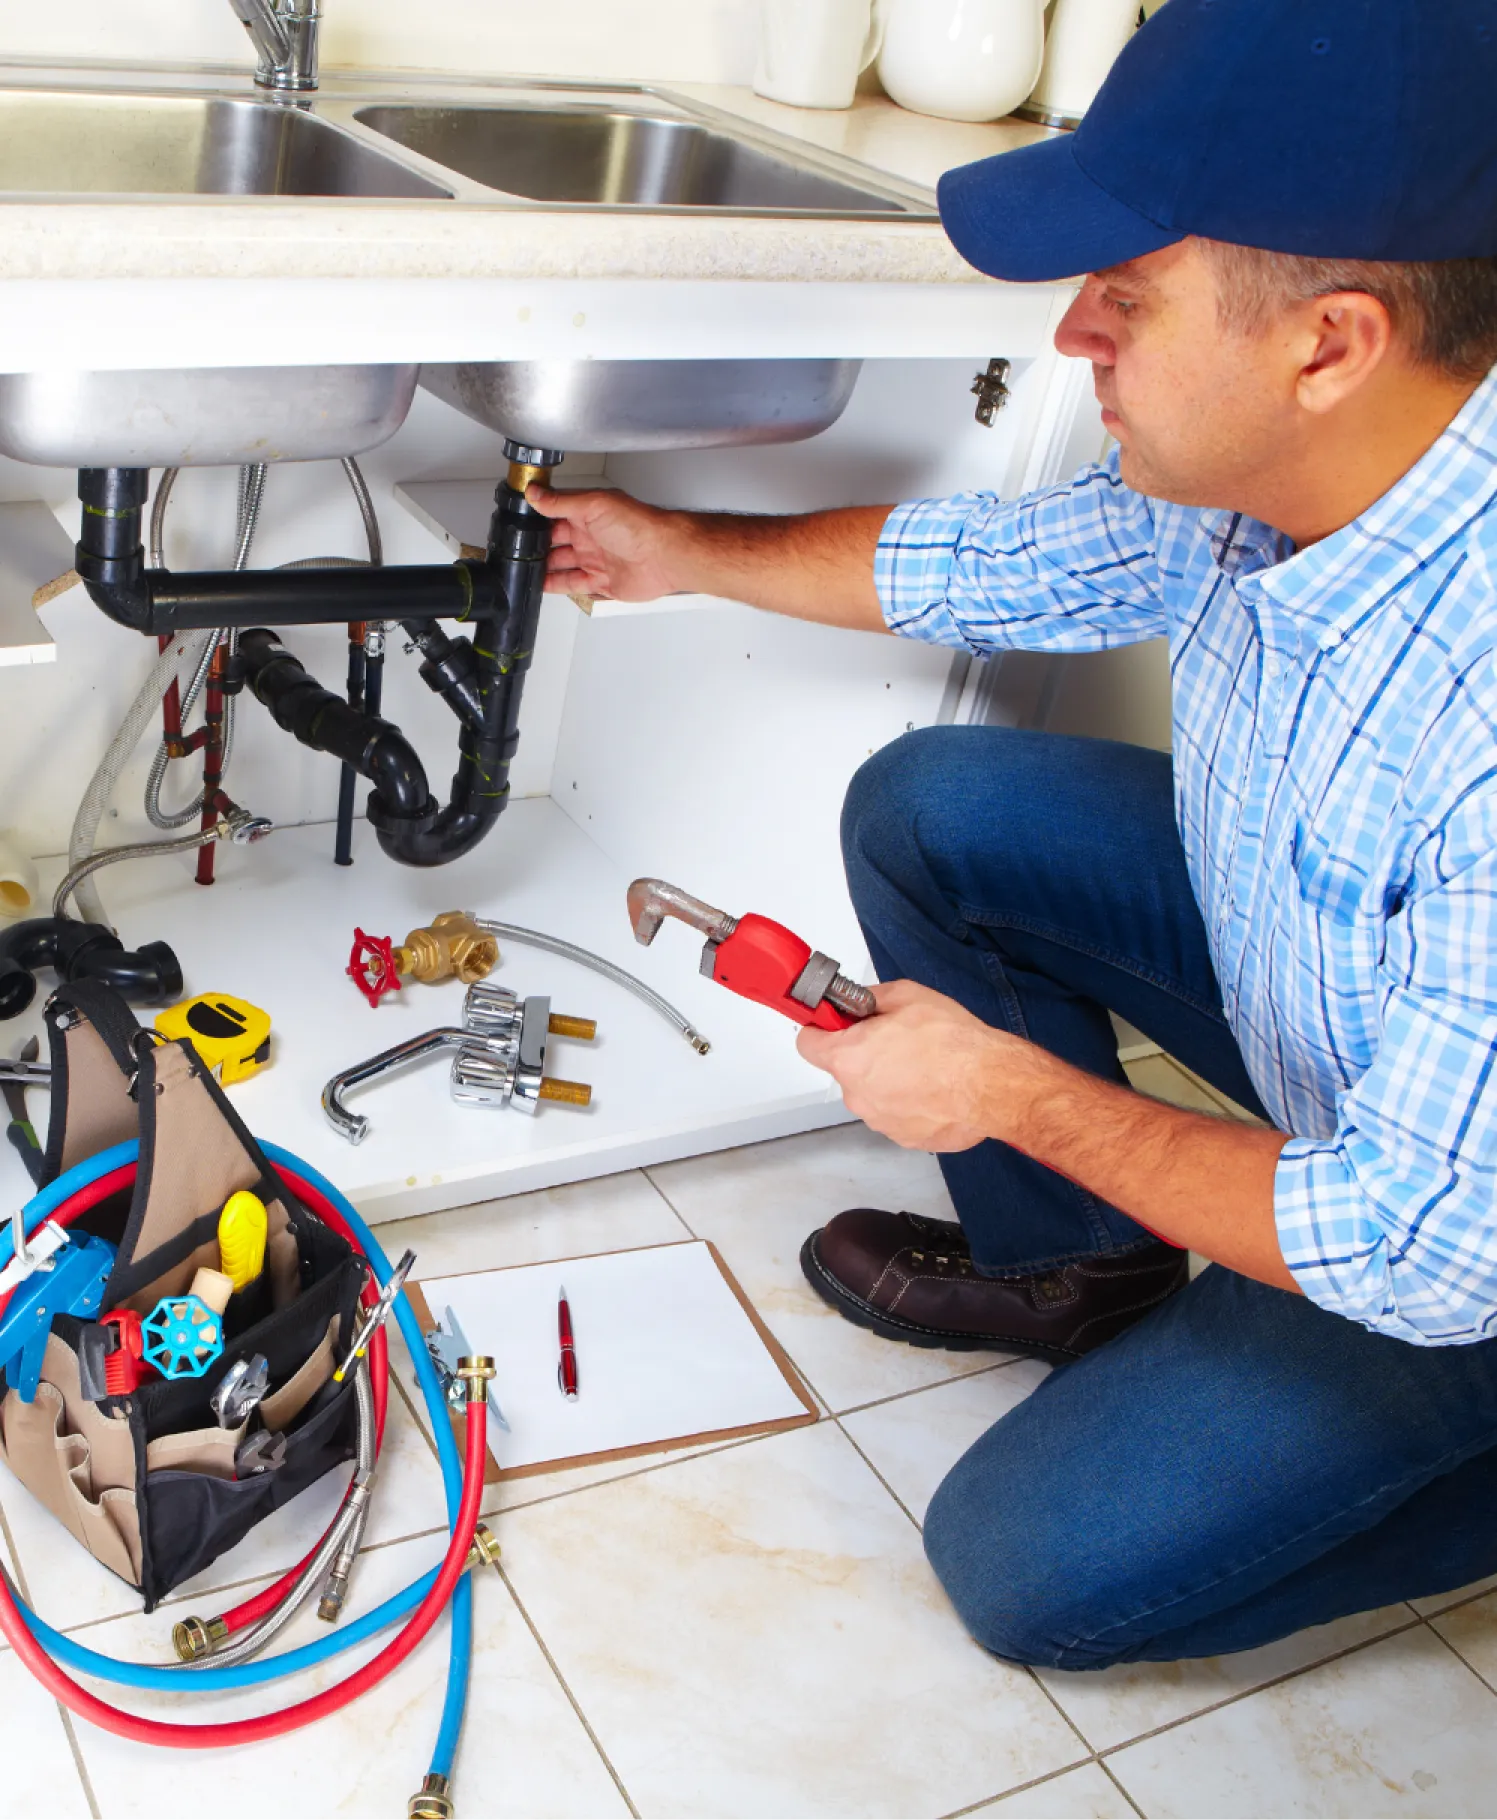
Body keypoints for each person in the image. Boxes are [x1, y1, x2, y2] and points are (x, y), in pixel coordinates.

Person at [528, 0, 1497, 1670]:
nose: (1072, 336)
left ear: (1329, 342)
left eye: (1126, 297)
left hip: (1460, 1243)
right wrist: (671, 543)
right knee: (941, 808)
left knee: (1022, 1572)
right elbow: (995, 564)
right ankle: (1091, 1279)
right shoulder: (1274, 474)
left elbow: (1419, 1245)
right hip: (1360, 1048)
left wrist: (1009, 1096)